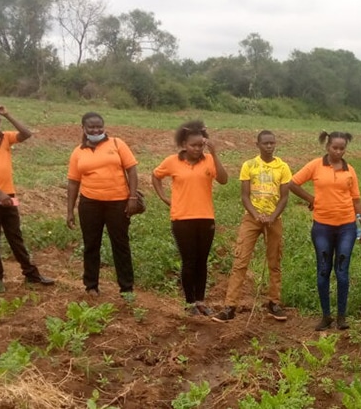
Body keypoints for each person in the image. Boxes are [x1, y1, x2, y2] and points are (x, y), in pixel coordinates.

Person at [0, 95, 55, 293]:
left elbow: (27, 133)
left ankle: (31, 275)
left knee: (16, 236)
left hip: (10, 195)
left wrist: (8, 115)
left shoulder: (5, 137)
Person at [289, 131, 361, 331]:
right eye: (335, 147)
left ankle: (341, 317)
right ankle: (326, 316)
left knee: (342, 272)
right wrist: (311, 199)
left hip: (347, 227)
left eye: (342, 148)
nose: (338, 151)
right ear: (327, 147)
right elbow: (292, 183)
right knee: (323, 270)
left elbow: (356, 199)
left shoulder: (350, 170)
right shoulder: (315, 165)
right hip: (322, 226)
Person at [212, 130, 291, 323]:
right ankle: (230, 306)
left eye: (272, 143)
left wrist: (272, 216)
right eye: (265, 143)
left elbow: (284, 197)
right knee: (240, 261)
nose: (269, 146)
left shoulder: (283, 167)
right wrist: (256, 215)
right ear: (258, 145)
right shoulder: (249, 165)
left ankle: (274, 303)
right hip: (251, 218)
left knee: (274, 262)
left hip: (274, 219)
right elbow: (245, 196)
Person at [152, 120, 228, 316]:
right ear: (184, 144)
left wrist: (215, 154)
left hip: (205, 218)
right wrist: (164, 198)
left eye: (200, 145)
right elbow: (156, 176)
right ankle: (189, 303)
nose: (197, 149)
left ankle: (201, 301)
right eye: (193, 145)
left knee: (202, 261)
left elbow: (223, 179)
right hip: (182, 219)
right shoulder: (172, 162)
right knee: (189, 260)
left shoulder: (209, 161)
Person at [66, 112, 139, 296]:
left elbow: (132, 170)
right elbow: (73, 182)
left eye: (99, 126)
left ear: (104, 126)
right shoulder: (78, 152)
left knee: (120, 244)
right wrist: (69, 211)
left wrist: (132, 198)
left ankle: (126, 288)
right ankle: (91, 286)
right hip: (89, 204)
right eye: (91, 127)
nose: (96, 130)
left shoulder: (117, 144)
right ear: (83, 128)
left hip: (118, 203)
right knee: (91, 245)